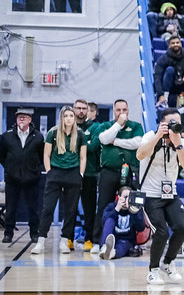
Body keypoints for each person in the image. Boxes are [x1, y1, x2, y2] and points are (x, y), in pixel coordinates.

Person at [136, 108, 184, 284]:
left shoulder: (182, 142)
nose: (175, 126)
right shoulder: (149, 137)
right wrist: (158, 137)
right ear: (162, 124)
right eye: (171, 123)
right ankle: (153, 270)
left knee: (181, 227)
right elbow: (140, 155)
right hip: (151, 195)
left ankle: (167, 262)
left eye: (177, 122)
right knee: (161, 232)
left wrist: (178, 144)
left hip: (171, 194)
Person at [35, 106, 87, 255]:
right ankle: (41, 241)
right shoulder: (52, 132)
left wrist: (81, 174)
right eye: (66, 116)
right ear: (61, 118)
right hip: (55, 174)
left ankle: (64, 241)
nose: (69, 118)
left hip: (73, 174)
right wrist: (50, 172)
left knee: (70, 211)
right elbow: (46, 155)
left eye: (71, 115)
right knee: (48, 209)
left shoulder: (81, 134)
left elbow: (83, 157)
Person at [92, 99, 144, 245]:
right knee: (103, 205)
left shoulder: (135, 126)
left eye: (124, 110)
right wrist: (118, 125)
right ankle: (99, 241)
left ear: (128, 110)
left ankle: (132, 239)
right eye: (118, 110)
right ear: (114, 111)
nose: (122, 113)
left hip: (129, 171)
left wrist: (115, 142)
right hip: (108, 171)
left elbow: (138, 143)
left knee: (132, 205)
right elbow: (103, 139)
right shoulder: (106, 125)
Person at [0, 108, 44, 246]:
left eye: (24, 117)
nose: (21, 119)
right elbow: (2, 156)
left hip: (32, 179)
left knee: (33, 208)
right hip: (12, 179)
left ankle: (34, 233)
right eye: (19, 117)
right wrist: (10, 169)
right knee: (11, 207)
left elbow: (42, 157)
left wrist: (34, 171)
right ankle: (8, 233)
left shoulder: (38, 136)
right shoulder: (7, 136)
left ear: (30, 119)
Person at [73, 99, 101, 245]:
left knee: (89, 208)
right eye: (79, 108)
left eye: (86, 109)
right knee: (70, 208)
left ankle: (89, 238)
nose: (82, 112)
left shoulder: (96, 127)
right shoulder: (68, 126)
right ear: (74, 109)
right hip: (70, 173)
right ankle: (68, 238)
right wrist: (85, 143)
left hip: (89, 173)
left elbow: (93, 147)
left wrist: (77, 144)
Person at [97, 186, 147, 260]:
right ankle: (105, 247)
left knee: (123, 246)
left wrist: (133, 211)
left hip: (126, 240)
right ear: (118, 197)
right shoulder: (111, 206)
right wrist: (116, 209)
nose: (127, 200)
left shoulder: (135, 209)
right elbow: (104, 222)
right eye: (125, 197)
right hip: (112, 237)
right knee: (110, 219)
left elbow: (141, 228)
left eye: (129, 197)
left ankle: (111, 254)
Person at [153, 36, 184, 108]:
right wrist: (160, 94)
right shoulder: (163, 58)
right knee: (170, 70)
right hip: (171, 87)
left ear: (181, 44)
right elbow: (157, 77)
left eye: (177, 42)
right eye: (173, 43)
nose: (175, 44)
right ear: (169, 45)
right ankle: (165, 99)